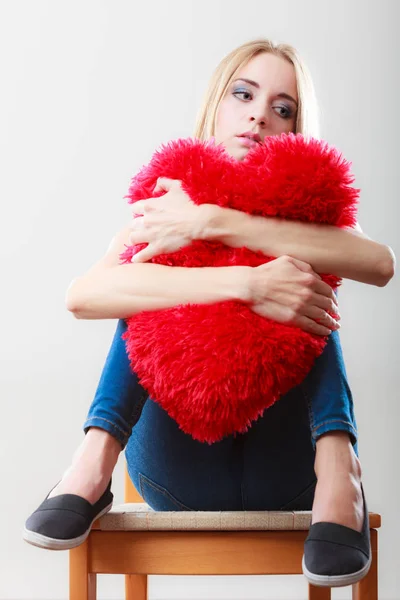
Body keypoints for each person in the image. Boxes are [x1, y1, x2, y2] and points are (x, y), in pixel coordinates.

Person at [24, 39, 395, 587]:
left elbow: (379, 263)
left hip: (296, 473)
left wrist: (214, 223)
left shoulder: (312, 217)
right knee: (145, 283)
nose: (259, 114)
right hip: (177, 467)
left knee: (304, 278)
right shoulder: (166, 200)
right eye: (243, 94)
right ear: (215, 103)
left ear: (296, 129)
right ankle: (92, 462)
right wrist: (246, 283)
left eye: (283, 107)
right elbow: (84, 296)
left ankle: (344, 471)